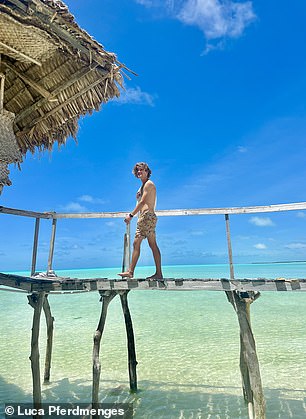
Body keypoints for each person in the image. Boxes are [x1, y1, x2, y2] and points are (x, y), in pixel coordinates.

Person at [118, 162, 163, 279]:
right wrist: (138, 196)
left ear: (147, 171)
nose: (139, 172)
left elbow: (143, 202)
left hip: (147, 217)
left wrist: (131, 215)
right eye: (137, 170)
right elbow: (142, 200)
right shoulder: (143, 186)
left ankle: (131, 272)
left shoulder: (148, 184)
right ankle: (158, 273)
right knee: (152, 244)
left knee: (137, 243)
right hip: (148, 217)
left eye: (141, 170)